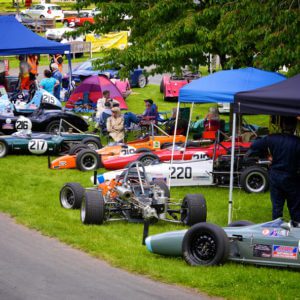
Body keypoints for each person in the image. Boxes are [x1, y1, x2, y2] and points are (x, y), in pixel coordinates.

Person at [246, 116, 300, 225]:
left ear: (282, 125)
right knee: (295, 208)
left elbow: (254, 145)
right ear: (295, 127)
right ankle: (297, 231)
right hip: (292, 177)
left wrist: (266, 155)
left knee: (277, 207)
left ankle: (276, 231)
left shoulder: (272, 138)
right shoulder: (297, 142)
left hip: (276, 176)